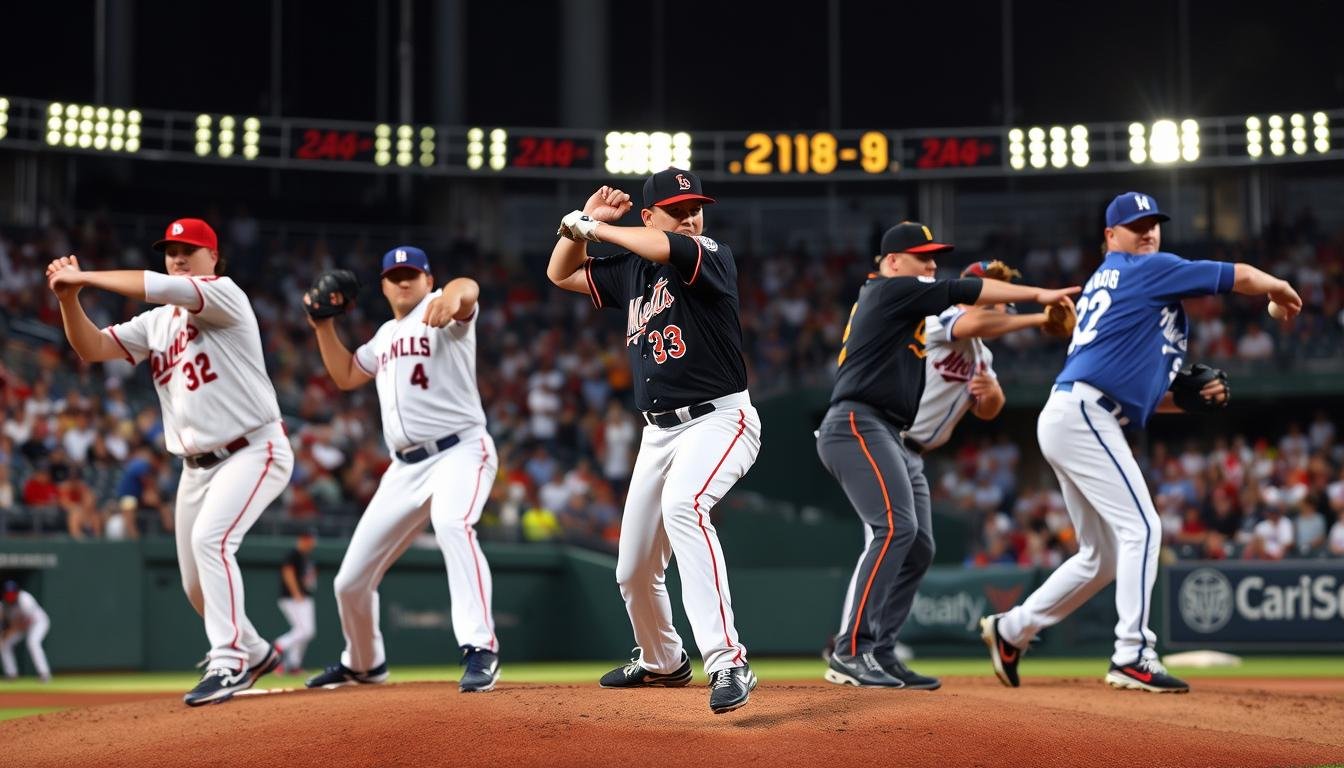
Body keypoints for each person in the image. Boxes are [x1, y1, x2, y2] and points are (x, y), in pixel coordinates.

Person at [980, 191, 1303, 694]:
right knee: (1144, 528)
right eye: (1135, 225)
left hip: (1076, 412)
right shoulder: (1143, 269)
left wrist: (1184, 401)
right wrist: (1280, 289)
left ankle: (1013, 628)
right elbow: (1238, 276)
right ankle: (1132, 652)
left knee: (1100, 556)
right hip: (1085, 414)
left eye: (1153, 223)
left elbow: (1132, 390)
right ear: (1111, 237)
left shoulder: (1110, 284)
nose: (1148, 232)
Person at [816, 223, 1079, 689]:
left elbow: (989, 401)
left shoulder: (930, 319)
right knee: (894, 529)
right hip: (860, 422)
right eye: (923, 256)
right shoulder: (896, 293)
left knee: (918, 545)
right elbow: (968, 304)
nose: (932, 264)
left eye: (935, 257)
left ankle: (879, 649)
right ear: (894, 261)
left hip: (891, 435)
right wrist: (1040, 303)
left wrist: (993, 389)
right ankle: (849, 649)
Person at [45, 217, 293, 706]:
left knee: (212, 540)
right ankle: (257, 650)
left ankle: (230, 661)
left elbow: (152, 286)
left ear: (213, 259)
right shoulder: (157, 324)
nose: (178, 257)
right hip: (195, 467)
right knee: (194, 585)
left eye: (189, 249)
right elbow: (91, 348)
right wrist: (67, 300)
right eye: (171, 250)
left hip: (252, 449)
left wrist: (85, 277)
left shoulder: (224, 294)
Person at [547, 168, 761, 714]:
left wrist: (595, 230)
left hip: (720, 420)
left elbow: (663, 246)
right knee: (633, 569)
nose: (691, 217)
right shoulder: (632, 271)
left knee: (685, 506)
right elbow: (559, 274)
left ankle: (727, 659)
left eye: (695, 207)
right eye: (676, 209)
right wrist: (580, 226)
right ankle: (663, 662)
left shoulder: (709, 252)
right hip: (659, 433)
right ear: (648, 215)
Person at [303, 246, 501, 694]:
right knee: (349, 582)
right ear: (384, 285)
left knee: (453, 524)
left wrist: (454, 297)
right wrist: (322, 324)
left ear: (429, 279)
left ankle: (480, 647)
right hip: (404, 468)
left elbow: (466, 291)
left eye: (413, 273)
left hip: (460, 451)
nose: (404, 281)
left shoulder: (442, 310)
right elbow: (346, 375)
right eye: (395, 275)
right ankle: (363, 663)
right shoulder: (384, 335)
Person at [275, 529, 318, 675]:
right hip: (292, 598)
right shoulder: (293, 554)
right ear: (303, 539)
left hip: (303, 597)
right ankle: (278, 646)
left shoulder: (305, 557)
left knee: (306, 632)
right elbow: (287, 572)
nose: (313, 543)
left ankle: (294, 665)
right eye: (310, 539)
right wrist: (296, 593)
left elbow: (308, 577)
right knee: (305, 631)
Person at [1, 581, 51, 682]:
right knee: (4, 644)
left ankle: (44, 674)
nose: (10, 595)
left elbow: (24, 622)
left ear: (17, 592)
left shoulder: (25, 599)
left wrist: (8, 633)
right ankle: (11, 674)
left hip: (37, 623)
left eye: (12, 593)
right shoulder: (3, 604)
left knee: (33, 642)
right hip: (20, 627)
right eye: (7, 593)